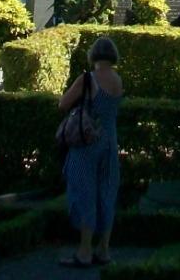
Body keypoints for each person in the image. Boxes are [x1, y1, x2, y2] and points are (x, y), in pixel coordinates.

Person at [58, 36, 123, 267]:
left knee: (83, 191)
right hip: (110, 141)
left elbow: (63, 104)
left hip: (87, 142)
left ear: (93, 55)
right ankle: (103, 249)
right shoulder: (117, 79)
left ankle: (84, 251)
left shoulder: (88, 78)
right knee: (106, 193)